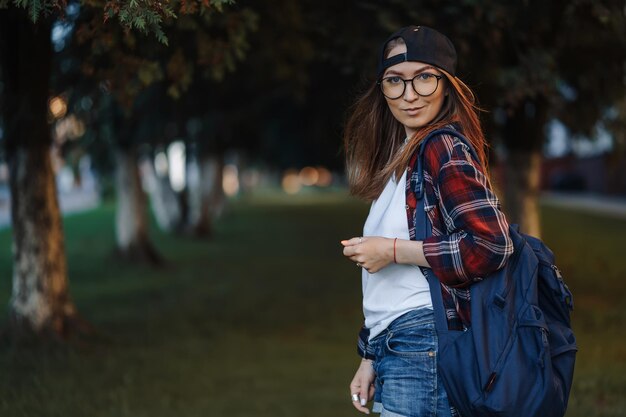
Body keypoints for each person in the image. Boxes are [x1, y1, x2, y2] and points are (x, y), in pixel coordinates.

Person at [340, 26, 514, 417]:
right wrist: (370, 356)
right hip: (397, 345)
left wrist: (392, 250)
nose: (410, 94)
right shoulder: (405, 155)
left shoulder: (442, 146)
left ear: (446, 83)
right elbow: (388, 287)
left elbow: (491, 244)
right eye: (395, 81)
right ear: (381, 89)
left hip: (423, 342)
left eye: (424, 78)